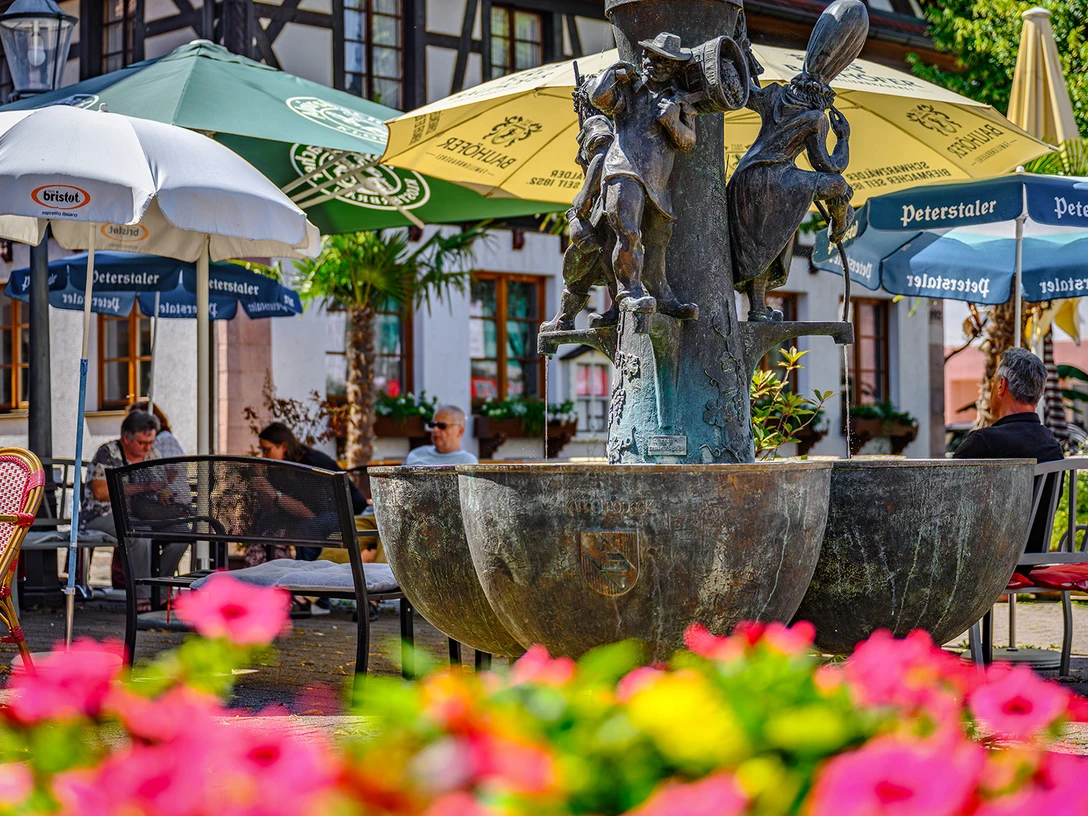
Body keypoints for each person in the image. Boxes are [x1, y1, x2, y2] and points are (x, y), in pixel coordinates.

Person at [589, 33, 699, 320]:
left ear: (674, 67)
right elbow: (599, 97)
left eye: (663, 61)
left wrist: (673, 122)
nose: (654, 64)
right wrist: (613, 72)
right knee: (629, 233)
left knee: (658, 241)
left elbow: (688, 142)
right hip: (623, 169)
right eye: (650, 57)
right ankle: (629, 291)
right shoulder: (628, 90)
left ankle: (662, 296)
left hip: (657, 183)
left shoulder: (680, 101)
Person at [954, 348, 1063, 559]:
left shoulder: (983, 444)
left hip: (984, 564)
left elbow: (945, 501)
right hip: (1032, 557)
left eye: (994, 381)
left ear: (1002, 385)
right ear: (1039, 394)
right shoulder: (1052, 447)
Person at [81, 410, 188, 613]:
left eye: (150, 442)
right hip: (102, 515)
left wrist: (165, 495)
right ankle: (142, 596)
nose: (148, 448)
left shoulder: (152, 454)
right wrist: (145, 487)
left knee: (181, 533)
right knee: (139, 533)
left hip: (143, 515)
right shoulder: (109, 453)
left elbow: (162, 485)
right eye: (142, 443)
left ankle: (160, 588)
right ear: (126, 438)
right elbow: (101, 491)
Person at [256, 422, 366, 560]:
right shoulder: (279, 467)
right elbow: (273, 509)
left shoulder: (308, 463)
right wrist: (260, 483)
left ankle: (309, 573)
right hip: (321, 514)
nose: (263, 456)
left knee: (307, 527)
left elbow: (309, 513)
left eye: (266, 450)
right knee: (267, 521)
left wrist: (271, 492)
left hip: (349, 513)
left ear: (283, 447)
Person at [403, 406, 478, 466]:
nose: (435, 430)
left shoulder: (467, 462)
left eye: (442, 426)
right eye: (433, 425)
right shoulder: (416, 454)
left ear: (459, 431)